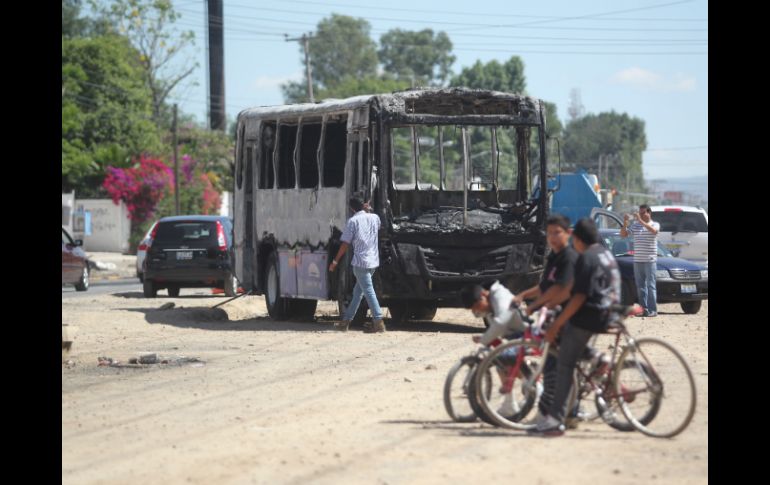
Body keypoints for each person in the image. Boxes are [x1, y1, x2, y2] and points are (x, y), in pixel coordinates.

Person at [530, 218, 621, 436]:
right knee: (568, 342)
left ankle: (555, 420)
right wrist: (551, 306)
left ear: (576, 238)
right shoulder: (604, 253)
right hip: (611, 311)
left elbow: (579, 297)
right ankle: (595, 362)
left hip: (593, 315)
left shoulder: (585, 258)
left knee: (564, 364)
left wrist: (557, 323)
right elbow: (570, 289)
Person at [329, 196, 385, 333]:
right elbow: (378, 226)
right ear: (364, 205)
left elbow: (345, 244)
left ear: (351, 208)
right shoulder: (375, 217)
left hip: (361, 262)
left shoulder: (352, 221)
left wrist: (335, 261)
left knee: (368, 291)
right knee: (357, 293)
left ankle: (378, 321)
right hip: (373, 262)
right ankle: (345, 322)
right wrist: (369, 210)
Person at [620, 204, 660, 317]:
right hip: (638, 260)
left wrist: (640, 221)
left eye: (643, 213)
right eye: (640, 213)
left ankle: (653, 310)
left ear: (649, 213)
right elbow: (623, 235)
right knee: (640, 286)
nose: (641, 215)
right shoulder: (635, 226)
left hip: (650, 260)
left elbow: (654, 231)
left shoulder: (655, 224)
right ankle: (644, 310)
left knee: (651, 286)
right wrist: (625, 222)